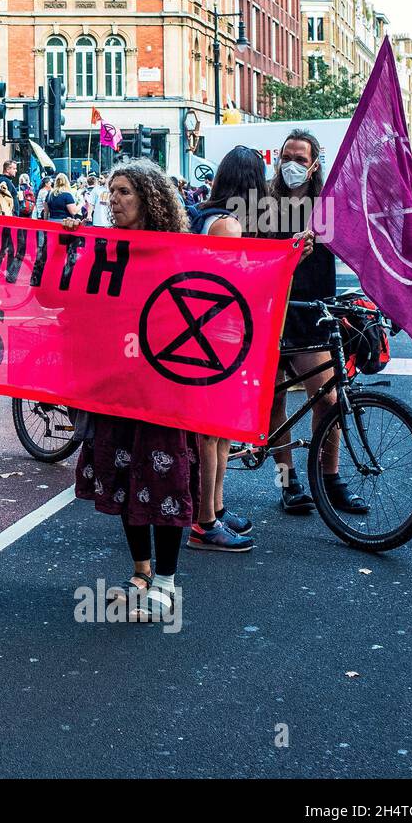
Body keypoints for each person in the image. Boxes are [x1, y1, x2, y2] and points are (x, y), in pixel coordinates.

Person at [61, 161, 197, 620]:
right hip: (115, 387)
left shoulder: (175, 251)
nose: (114, 200)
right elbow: (56, 298)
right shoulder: (102, 250)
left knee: (166, 479)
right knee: (121, 476)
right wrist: (67, 249)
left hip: (161, 389)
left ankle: (166, 581)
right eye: (110, 191)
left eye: (123, 192)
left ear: (149, 199)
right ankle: (140, 572)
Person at [263, 129, 369, 516]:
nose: (292, 164)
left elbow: (362, 242)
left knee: (326, 398)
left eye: (301, 159)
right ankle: (287, 481)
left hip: (312, 312)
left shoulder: (328, 205)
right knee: (273, 398)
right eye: (286, 156)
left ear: (315, 165)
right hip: (271, 312)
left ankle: (330, 479)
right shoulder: (263, 202)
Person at [183, 147, 264, 552]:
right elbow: (235, 282)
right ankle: (205, 522)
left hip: (205, 332)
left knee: (218, 431)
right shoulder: (227, 226)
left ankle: (213, 506)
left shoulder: (205, 216)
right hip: (218, 335)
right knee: (212, 433)